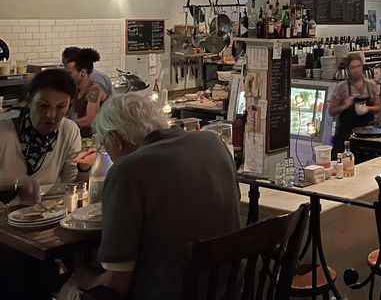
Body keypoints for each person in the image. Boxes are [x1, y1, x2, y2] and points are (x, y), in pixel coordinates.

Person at [76, 92, 240, 300]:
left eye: (104, 144)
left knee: (71, 287)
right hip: (225, 288)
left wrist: (81, 277)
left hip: (171, 292)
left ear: (116, 139)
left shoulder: (129, 170)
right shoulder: (213, 143)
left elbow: (117, 282)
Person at [0, 69, 95, 205]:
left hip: (45, 214)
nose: (51, 114)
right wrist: (16, 184)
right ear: (29, 100)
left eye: (61, 107)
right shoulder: (3, 132)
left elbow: (72, 186)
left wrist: (84, 168)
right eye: (43, 106)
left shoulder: (68, 130)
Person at [329, 53, 381, 155]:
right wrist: (345, 105)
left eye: (358, 66)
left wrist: (368, 108)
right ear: (348, 69)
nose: (356, 70)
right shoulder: (342, 87)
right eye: (353, 67)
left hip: (366, 136)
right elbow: (331, 111)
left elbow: (378, 107)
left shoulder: (371, 85)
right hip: (345, 136)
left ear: (362, 66)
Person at [64, 48, 109, 136]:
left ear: (83, 73)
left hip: (97, 139)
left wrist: (63, 124)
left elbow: (90, 120)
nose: (67, 76)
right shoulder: (76, 90)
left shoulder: (94, 90)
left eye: (70, 73)